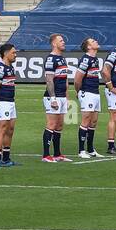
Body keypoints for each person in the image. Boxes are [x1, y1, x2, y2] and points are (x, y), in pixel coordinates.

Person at [0, 43, 18, 167]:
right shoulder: (0, 68)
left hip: (11, 102)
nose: (15, 55)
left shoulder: (10, 67)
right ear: (5, 54)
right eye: (13, 52)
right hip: (2, 102)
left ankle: (6, 158)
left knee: (10, 129)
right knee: (2, 129)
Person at [42, 34, 71, 162]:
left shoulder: (62, 59)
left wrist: (66, 96)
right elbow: (49, 80)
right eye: (61, 40)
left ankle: (57, 154)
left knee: (59, 125)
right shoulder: (50, 59)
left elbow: (65, 79)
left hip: (62, 96)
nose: (63, 42)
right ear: (54, 43)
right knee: (51, 124)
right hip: (53, 97)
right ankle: (46, 155)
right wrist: (53, 98)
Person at [73, 37, 102, 159]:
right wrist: (79, 91)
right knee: (86, 120)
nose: (96, 42)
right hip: (87, 92)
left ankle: (90, 149)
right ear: (89, 47)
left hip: (95, 92)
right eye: (93, 41)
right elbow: (77, 79)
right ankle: (81, 150)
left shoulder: (95, 59)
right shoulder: (85, 59)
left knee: (93, 121)